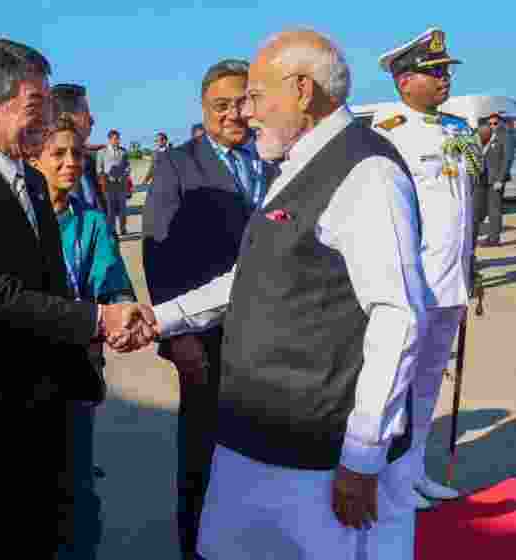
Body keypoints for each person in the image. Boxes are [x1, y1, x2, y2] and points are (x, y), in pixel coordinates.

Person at [161, 30, 427, 560]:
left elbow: (398, 317)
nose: (247, 112)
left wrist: (364, 454)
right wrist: (161, 318)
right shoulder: (298, 163)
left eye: (256, 96)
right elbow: (252, 277)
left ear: (303, 90)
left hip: (321, 461)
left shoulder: (365, 171)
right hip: (258, 442)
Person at [0, 38, 156, 558]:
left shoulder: (30, 180)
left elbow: (51, 283)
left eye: (50, 104)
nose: (48, 117)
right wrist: (98, 319)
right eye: (36, 106)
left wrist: (98, 343)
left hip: (46, 396)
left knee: (44, 530)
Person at [143, 58, 275, 560]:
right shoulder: (178, 164)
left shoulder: (276, 158)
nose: (232, 114)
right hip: (206, 337)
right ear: (203, 108)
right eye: (220, 105)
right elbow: (159, 253)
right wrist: (176, 336)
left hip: (270, 338)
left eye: (241, 102)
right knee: (203, 454)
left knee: (262, 448)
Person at [372, 28, 481, 510]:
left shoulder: (459, 130)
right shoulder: (387, 134)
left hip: (450, 279)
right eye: (434, 72)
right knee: (397, 383)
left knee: (431, 380)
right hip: (411, 284)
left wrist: (469, 268)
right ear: (403, 81)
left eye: (446, 72)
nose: (444, 80)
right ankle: (390, 480)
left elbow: (464, 209)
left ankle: (413, 470)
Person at [30, 113, 138, 560]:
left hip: (76, 369)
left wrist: (124, 313)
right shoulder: (19, 221)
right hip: (24, 372)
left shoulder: (91, 221)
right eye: (58, 154)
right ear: (33, 159)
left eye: (76, 153)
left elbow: (112, 283)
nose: (71, 162)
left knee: (76, 488)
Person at [50, 83, 104, 211]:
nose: (92, 121)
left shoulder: (88, 161)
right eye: (86, 113)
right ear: (67, 117)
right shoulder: (46, 168)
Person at [479, 113, 512, 246]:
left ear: (500, 123)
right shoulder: (484, 136)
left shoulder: (505, 136)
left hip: (496, 180)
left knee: (494, 210)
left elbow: (507, 159)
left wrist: (501, 179)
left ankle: (493, 239)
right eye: (490, 123)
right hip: (483, 179)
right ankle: (490, 236)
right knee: (483, 209)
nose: (492, 126)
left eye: (495, 123)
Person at [97, 130, 131, 236]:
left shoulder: (123, 152)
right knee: (110, 208)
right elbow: (99, 169)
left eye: (118, 138)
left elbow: (128, 167)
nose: (117, 141)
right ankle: (112, 229)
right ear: (110, 139)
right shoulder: (101, 152)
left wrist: (124, 174)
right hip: (108, 184)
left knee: (123, 208)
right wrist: (106, 176)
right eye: (115, 138)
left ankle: (123, 228)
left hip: (121, 184)